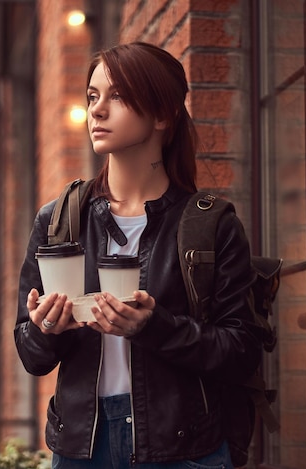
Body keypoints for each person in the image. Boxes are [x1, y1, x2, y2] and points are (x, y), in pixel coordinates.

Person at [14, 42, 262, 468]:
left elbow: (242, 351)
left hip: (183, 447)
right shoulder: (59, 219)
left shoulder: (210, 223)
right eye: (93, 96)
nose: (97, 110)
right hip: (81, 449)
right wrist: (45, 329)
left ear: (163, 115)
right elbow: (31, 355)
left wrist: (155, 327)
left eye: (118, 96)